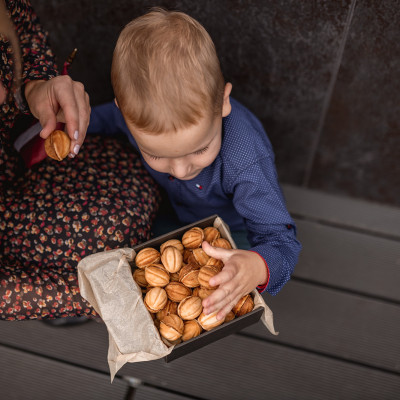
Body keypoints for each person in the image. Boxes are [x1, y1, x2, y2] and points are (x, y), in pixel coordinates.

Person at [88, 8, 302, 321]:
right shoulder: (136, 119)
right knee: (121, 266)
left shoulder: (244, 161)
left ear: (223, 102)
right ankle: (83, 302)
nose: (181, 170)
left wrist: (256, 265)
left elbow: (281, 241)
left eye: (200, 149)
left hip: (234, 232)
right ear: (126, 115)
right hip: (170, 213)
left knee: (218, 289)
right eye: (158, 155)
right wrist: (64, 128)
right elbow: (104, 119)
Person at [0, 0, 160, 321]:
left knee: (127, 204)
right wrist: (87, 296)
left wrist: (37, 84)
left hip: (13, 167)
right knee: (109, 258)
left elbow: (25, 31)